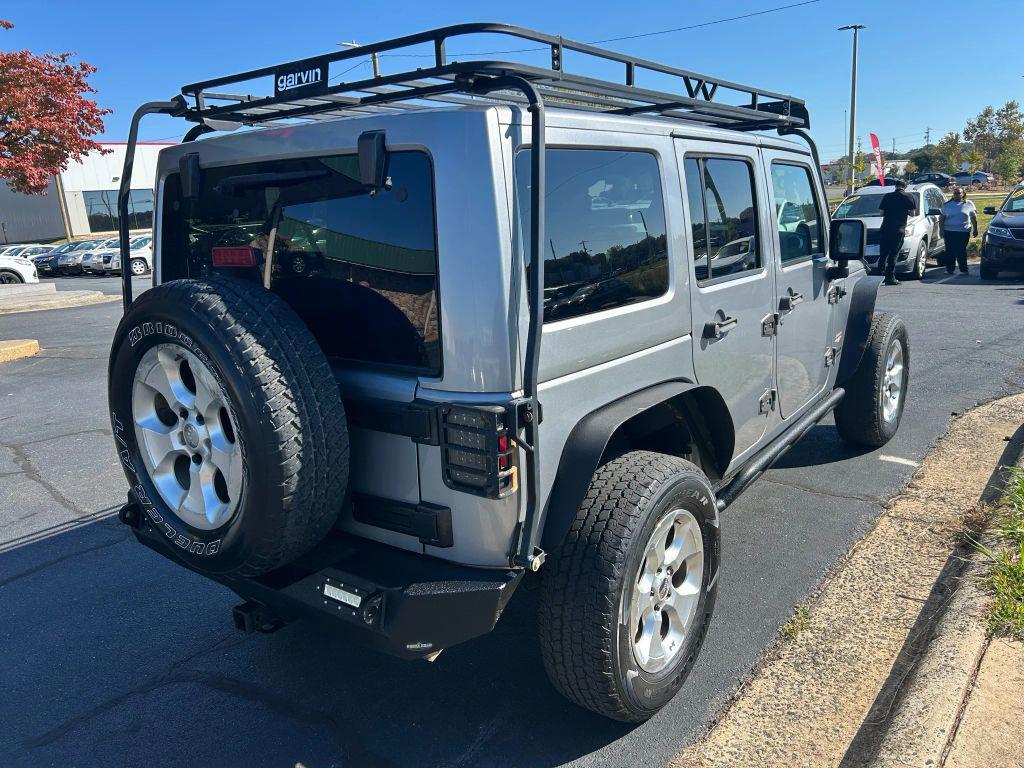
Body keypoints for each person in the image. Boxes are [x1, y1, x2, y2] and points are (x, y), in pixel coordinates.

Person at [877, 179, 918, 286]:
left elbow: (881, 213)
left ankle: (879, 274)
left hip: (885, 228)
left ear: (895, 187)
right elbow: (913, 213)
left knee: (883, 253)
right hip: (898, 229)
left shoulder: (887, 196)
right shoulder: (908, 196)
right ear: (905, 187)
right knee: (894, 254)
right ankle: (890, 277)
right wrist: (904, 211)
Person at [939, 187, 978, 276]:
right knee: (950, 251)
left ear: (963, 194)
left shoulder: (969, 204)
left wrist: (975, 229)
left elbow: (973, 217)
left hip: (963, 231)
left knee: (961, 250)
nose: (956, 195)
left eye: (958, 193)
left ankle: (963, 269)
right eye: (955, 193)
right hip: (949, 231)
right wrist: (941, 230)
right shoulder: (947, 205)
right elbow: (942, 219)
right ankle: (949, 269)